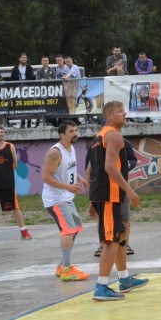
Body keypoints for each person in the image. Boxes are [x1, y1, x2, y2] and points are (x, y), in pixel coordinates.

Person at [88, 101, 148, 300]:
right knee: (110, 241)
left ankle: (124, 279)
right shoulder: (113, 135)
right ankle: (101, 287)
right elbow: (109, 168)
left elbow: (91, 171)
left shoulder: (98, 138)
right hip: (109, 195)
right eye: (120, 111)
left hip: (103, 194)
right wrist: (130, 191)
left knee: (120, 236)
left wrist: (91, 199)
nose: (125, 114)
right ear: (109, 116)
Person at [41, 120, 90, 281]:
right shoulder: (55, 152)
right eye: (71, 131)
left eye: (76, 130)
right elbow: (46, 177)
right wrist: (67, 187)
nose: (75, 133)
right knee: (68, 230)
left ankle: (63, 265)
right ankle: (66, 269)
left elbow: (67, 169)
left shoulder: (72, 148)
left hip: (66, 197)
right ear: (62, 135)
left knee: (74, 228)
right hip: (55, 199)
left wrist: (79, 178)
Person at [91, 137, 138, 258]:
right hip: (103, 188)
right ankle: (102, 245)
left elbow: (133, 159)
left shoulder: (123, 142)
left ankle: (126, 244)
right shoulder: (96, 144)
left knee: (125, 217)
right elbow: (90, 166)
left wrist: (126, 166)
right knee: (103, 218)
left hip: (120, 186)